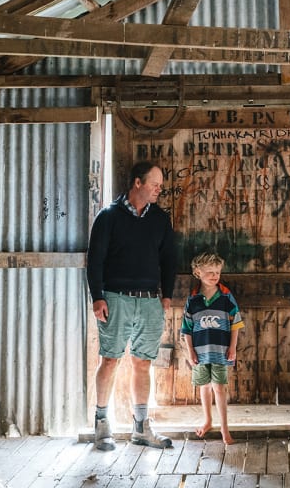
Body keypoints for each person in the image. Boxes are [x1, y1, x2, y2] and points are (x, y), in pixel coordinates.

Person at [86, 161, 178, 451]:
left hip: (150, 300)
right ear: (137, 182)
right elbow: (95, 260)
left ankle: (141, 427)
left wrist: (166, 295)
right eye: (155, 183)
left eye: (160, 184)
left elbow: (169, 259)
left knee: (143, 362)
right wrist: (97, 297)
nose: (159, 188)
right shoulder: (108, 217)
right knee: (110, 359)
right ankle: (102, 424)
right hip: (115, 298)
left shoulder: (160, 219)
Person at [181, 251, 244, 444]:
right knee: (205, 386)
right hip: (200, 353)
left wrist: (233, 347)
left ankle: (225, 429)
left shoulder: (226, 297)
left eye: (217, 271)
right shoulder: (193, 300)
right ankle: (208, 420)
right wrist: (190, 350)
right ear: (198, 272)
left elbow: (236, 324)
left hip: (220, 352)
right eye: (210, 272)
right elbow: (187, 329)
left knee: (219, 387)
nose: (214, 275)